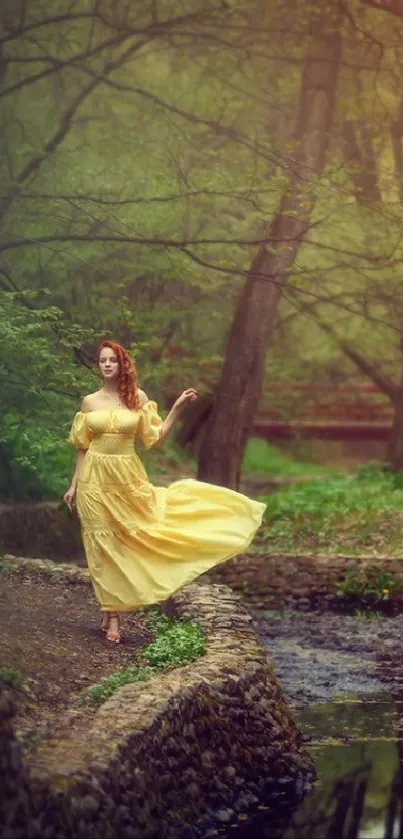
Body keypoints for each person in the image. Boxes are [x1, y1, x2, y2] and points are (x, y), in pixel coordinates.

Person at [64, 340, 266, 643]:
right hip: (93, 480)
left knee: (129, 540)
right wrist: (74, 483)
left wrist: (178, 407)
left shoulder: (137, 398)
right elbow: (83, 447)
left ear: (122, 365)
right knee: (99, 545)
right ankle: (113, 616)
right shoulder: (89, 402)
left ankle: (110, 608)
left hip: (127, 478)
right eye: (102, 360)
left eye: (112, 360)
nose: (106, 365)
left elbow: (154, 438)